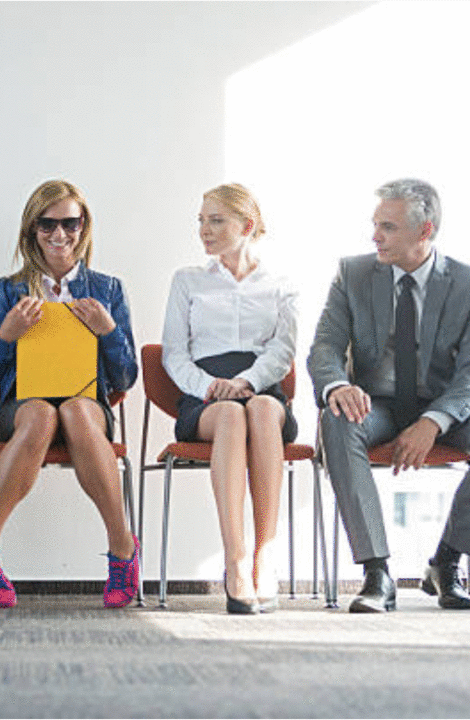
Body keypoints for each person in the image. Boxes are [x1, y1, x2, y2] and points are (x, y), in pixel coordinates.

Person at [308, 178, 470, 613]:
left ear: (424, 231)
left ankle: (446, 563)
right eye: (375, 225)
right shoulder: (353, 274)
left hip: (443, 405)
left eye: (387, 227)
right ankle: (376, 573)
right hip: (377, 404)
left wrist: (434, 422)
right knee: (336, 418)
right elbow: (326, 346)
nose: (375, 237)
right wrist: (339, 384)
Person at [0, 179, 139, 609]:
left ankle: (122, 549)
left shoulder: (108, 290)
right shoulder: (7, 291)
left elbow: (125, 378)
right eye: (47, 225)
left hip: (86, 403)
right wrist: (6, 336)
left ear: (84, 227)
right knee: (42, 415)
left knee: (78, 412)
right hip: (25, 405)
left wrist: (108, 331)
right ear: (32, 231)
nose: (60, 235)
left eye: (70, 224)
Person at [161, 183, 298, 614]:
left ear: (247, 225)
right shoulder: (187, 280)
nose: (205, 229)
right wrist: (209, 387)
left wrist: (249, 382)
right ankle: (236, 557)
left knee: (256, 410)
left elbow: (284, 349)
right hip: (205, 394)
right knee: (230, 418)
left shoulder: (280, 284)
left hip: (261, 389)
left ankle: (266, 553)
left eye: (216, 220)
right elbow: (173, 353)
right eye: (201, 220)